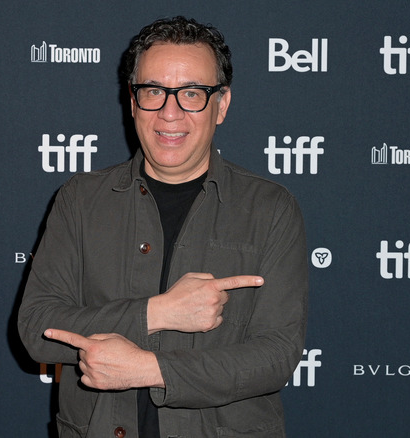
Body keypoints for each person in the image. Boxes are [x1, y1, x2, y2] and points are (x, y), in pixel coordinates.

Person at [18, 16, 309, 438]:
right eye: (154, 91)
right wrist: (158, 313)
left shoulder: (271, 209)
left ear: (221, 105)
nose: (169, 113)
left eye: (192, 93)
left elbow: (276, 356)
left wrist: (149, 369)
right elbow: (37, 329)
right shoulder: (80, 199)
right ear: (133, 102)